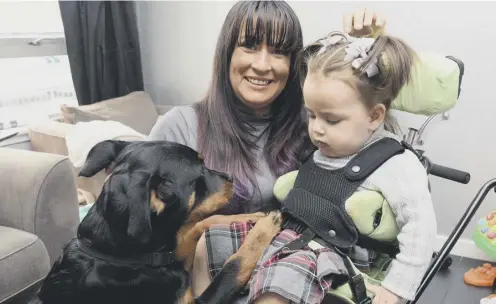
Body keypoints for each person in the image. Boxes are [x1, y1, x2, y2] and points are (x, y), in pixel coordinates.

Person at [199, 32, 438, 304]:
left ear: (374, 116)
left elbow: (421, 231)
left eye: (331, 120)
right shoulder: (327, 145)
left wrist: (396, 290)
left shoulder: (397, 164)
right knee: (209, 243)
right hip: (290, 234)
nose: (316, 128)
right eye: (311, 115)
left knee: (279, 284)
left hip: (334, 254)